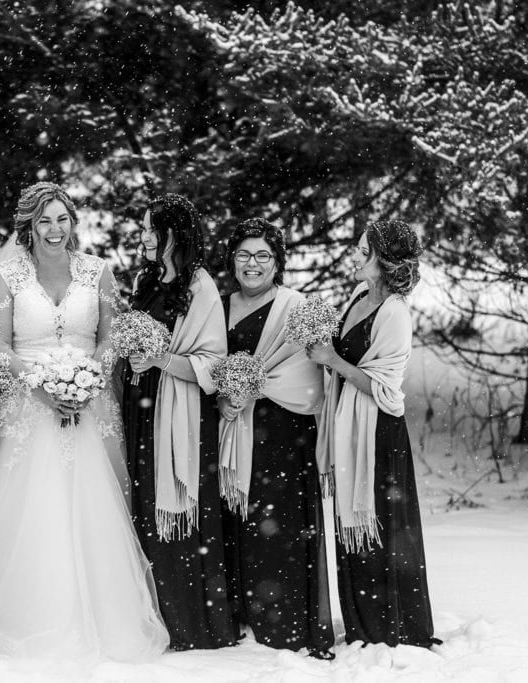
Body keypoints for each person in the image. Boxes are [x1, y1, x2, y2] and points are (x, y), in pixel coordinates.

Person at [0, 181, 168, 660]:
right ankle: (31, 616)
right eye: (44, 221)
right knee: (32, 506)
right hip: (27, 407)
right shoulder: (5, 276)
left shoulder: (98, 271)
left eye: (62, 219)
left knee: (92, 502)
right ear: (28, 227)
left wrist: (89, 377)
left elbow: (109, 337)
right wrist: (41, 387)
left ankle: (107, 618)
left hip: (90, 402)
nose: (55, 230)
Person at [307, 219, 440, 648]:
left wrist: (333, 359)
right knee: (350, 518)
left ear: (384, 260)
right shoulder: (359, 296)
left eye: (364, 250)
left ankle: (395, 627)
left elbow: (387, 390)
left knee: (381, 523)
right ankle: (364, 625)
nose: (356, 255)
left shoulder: (395, 312)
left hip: (376, 433)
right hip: (347, 426)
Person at [121, 193, 238, 650]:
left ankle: (190, 623)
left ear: (175, 235)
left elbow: (211, 363)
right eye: (144, 228)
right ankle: (152, 615)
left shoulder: (201, 286)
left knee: (180, 513)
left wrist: (158, 358)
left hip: (180, 413)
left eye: (153, 229)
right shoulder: (144, 279)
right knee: (144, 507)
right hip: (141, 406)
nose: (144, 237)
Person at [217, 218, 333, 658]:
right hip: (233, 431)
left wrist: (257, 385)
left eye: (263, 255)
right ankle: (240, 612)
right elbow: (211, 366)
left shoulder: (295, 307)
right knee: (236, 521)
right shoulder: (219, 306)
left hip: (283, 432)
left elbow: (312, 380)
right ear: (232, 259)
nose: (252, 264)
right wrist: (223, 399)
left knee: (278, 524)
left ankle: (282, 621)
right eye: (244, 254)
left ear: (278, 262)